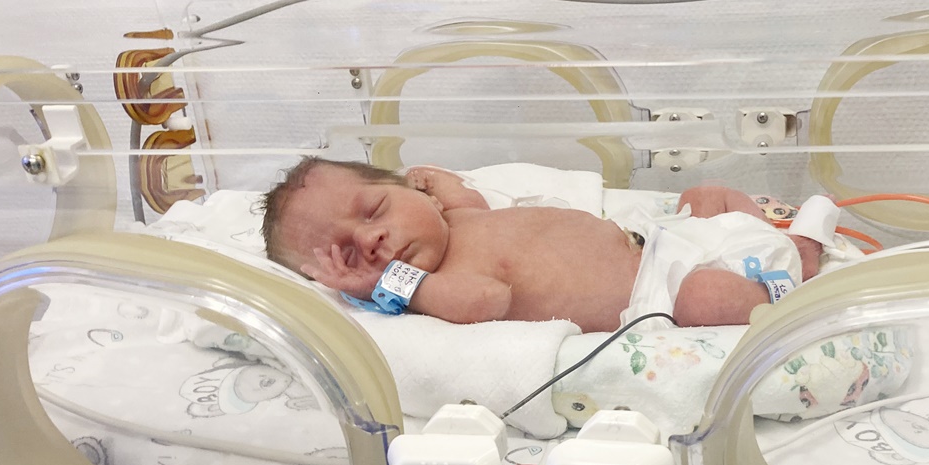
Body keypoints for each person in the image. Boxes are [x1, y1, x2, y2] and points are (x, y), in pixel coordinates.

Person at [261, 158, 827, 333]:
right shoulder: (437, 287)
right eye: (348, 254)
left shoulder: (457, 218)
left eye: (374, 211)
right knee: (708, 297)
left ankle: (780, 242)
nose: (371, 240)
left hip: (662, 238)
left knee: (709, 194)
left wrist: (443, 184)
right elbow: (488, 301)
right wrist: (391, 284)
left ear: (414, 193)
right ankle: (793, 277)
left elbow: (466, 201)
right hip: (658, 292)